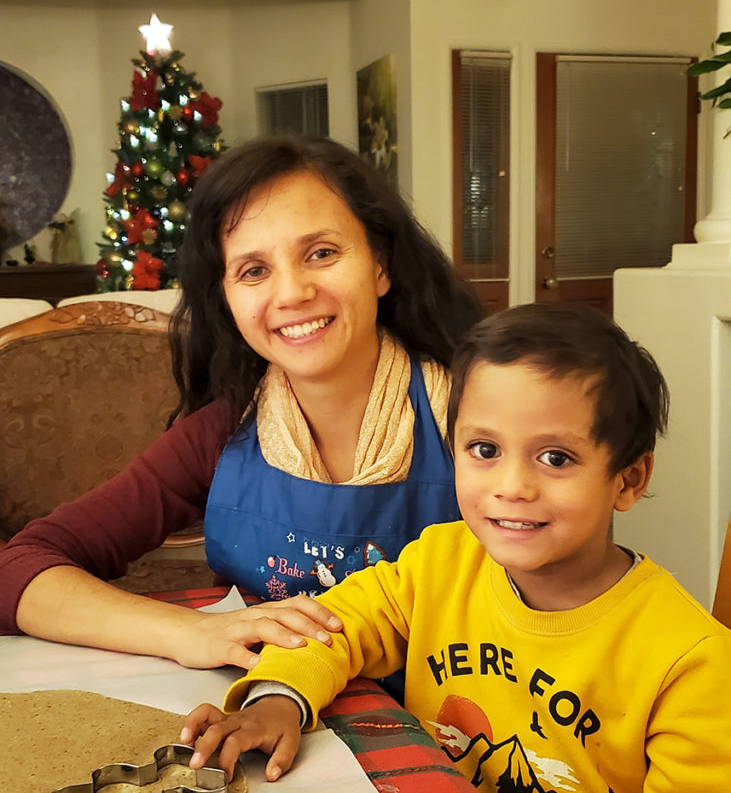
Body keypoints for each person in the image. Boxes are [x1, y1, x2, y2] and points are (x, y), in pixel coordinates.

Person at [182, 303, 731, 793]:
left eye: (554, 457)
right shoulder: (442, 560)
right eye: (482, 450)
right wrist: (277, 697)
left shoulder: (690, 662)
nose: (511, 486)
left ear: (626, 479)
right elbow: (341, 622)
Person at [0, 135, 482, 670]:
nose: (292, 292)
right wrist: (186, 632)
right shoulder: (222, 434)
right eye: (254, 270)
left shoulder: (476, 418)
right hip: (266, 724)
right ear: (227, 299)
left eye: (321, 253)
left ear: (380, 266)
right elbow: (18, 570)